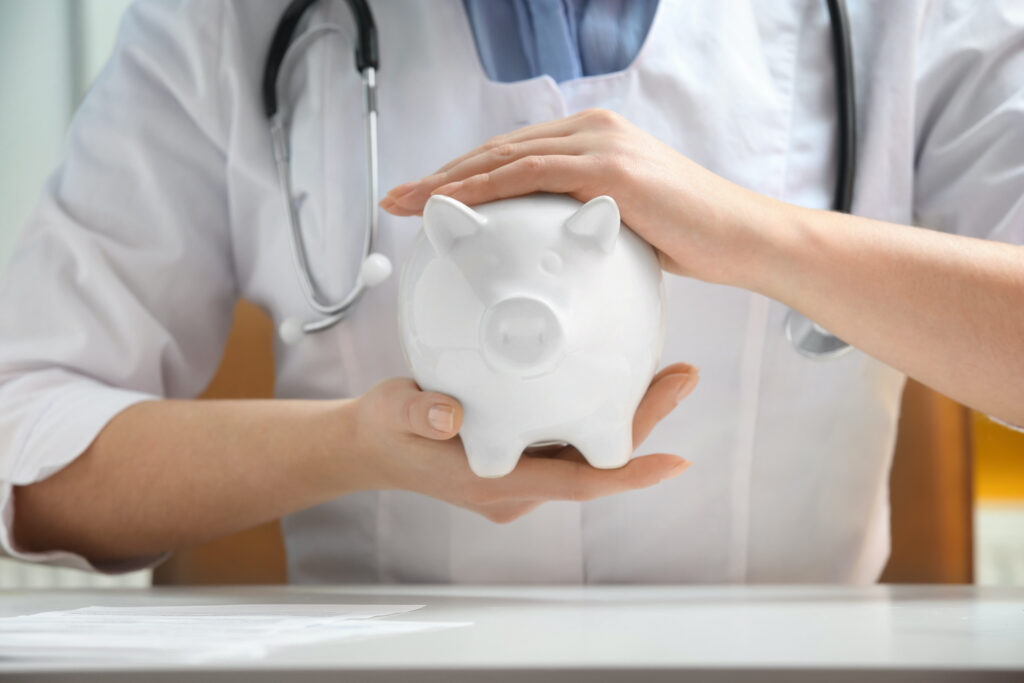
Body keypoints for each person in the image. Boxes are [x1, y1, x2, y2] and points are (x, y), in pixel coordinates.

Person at [1, 0, 1022, 584]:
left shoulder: (917, 18)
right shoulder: (228, 22)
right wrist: (350, 443)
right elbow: (30, 459)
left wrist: (767, 238)